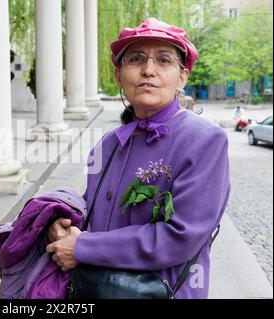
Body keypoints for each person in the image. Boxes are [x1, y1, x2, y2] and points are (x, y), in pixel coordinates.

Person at [46, 18, 231, 299]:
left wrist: (82, 247)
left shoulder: (204, 139)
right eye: (136, 59)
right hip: (99, 289)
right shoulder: (108, 144)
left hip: (162, 292)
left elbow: (181, 237)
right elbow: (97, 212)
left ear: (182, 77)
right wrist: (63, 226)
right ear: (119, 75)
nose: (148, 70)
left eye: (164, 60)